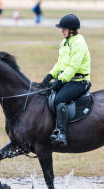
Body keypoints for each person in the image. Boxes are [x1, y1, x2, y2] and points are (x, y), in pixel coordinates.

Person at [38, 14, 91, 147]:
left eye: (64, 29)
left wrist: (60, 80)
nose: (62, 31)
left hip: (79, 82)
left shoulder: (79, 43)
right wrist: (50, 76)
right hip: (67, 80)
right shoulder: (64, 42)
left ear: (72, 30)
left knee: (59, 99)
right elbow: (60, 64)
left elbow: (74, 66)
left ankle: (61, 133)